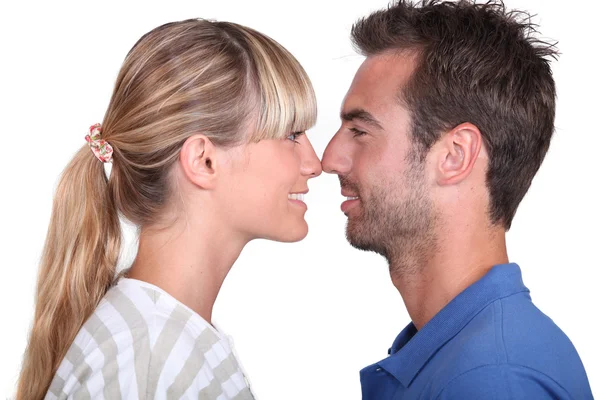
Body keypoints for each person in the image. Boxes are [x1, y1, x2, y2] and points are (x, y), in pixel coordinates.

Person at [17, 18, 321, 399]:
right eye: (292, 134)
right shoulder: (150, 358)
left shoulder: (161, 341)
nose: (315, 163)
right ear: (203, 160)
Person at [321, 1, 593, 398]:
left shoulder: (493, 380)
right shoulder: (458, 354)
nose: (329, 159)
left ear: (454, 155)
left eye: (360, 131)